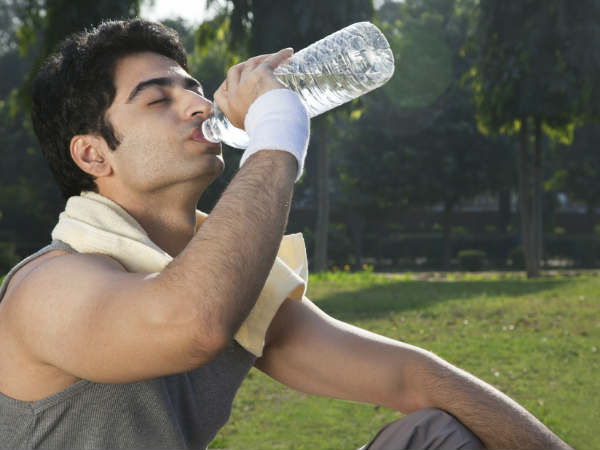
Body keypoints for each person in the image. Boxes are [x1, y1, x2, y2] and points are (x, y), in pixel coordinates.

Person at [0, 18, 571, 450]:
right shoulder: (48, 288)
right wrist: (276, 135)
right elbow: (192, 323)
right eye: (157, 99)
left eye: (193, 88)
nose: (198, 105)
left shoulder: (228, 281)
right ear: (93, 154)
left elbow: (411, 378)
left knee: (435, 436)